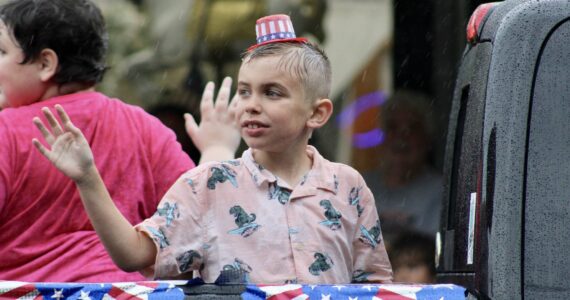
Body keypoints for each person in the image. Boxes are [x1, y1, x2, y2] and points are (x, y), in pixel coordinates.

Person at [33, 14, 393, 284]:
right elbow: (134, 255)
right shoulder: (208, 183)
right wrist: (87, 178)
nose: (251, 104)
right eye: (245, 90)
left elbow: (376, 287)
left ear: (318, 113)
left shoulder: (348, 187)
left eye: (272, 92)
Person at [0, 0, 239, 282]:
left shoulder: (6, 131)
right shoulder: (144, 127)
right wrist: (216, 150)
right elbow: (199, 221)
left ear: (45, 63)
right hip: (129, 290)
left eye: (2, 51)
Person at [364, 90, 443, 246]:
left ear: (427, 138)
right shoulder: (359, 186)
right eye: (392, 128)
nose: (401, 137)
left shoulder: (442, 192)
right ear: (382, 137)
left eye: (412, 128)